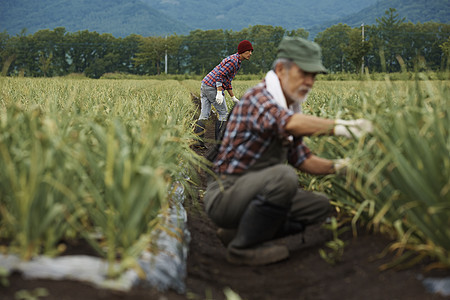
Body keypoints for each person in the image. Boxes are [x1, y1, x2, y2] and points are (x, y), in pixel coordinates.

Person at [203, 37, 373, 266]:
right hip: (226, 193)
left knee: (318, 206)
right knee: (284, 177)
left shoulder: (288, 106)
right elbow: (289, 123)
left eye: (313, 76)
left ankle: (238, 235)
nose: (309, 82)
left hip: (255, 193)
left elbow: (302, 159)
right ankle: (242, 249)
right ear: (281, 69)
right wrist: (345, 128)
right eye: (304, 74)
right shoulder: (259, 98)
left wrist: (343, 167)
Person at [194, 40, 253, 148]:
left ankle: (198, 142)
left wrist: (233, 97)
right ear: (242, 51)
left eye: (251, 51)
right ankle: (219, 145)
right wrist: (219, 92)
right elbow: (220, 76)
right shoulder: (233, 62)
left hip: (205, 84)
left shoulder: (236, 61)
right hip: (212, 86)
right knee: (223, 113)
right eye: (248, 51)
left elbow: (227, 80)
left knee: (204, 114)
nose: (250, 53)